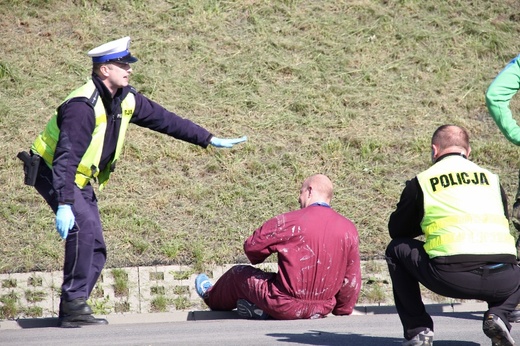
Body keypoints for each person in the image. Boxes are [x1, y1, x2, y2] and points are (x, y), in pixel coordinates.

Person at [20, 36, 247, 328]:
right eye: (122, 64)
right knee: (84, 228)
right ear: (104, 70)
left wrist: (208, 138)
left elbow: (164, 119)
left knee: (97, 247)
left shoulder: (124, 98)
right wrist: (64, 203)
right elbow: (65, 157)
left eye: (128, 64)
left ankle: (73, 306)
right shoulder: (82, 106)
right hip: (55, 172)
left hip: (79, 177)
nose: (129, 69)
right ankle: (74, 304)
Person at [386, 124, 520, 346]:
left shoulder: (423, 181)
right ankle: (499, 314)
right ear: (468, 152)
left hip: (450, 276)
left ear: (434, 150)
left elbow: (397, 230)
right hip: (504, 278)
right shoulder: (492, 180)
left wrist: (426, 219)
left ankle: (418, 331)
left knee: (396, 249)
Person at [194, 174, 362, 320]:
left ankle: (210, 295)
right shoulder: (349, 229)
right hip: (322, 309)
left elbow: (252, 248)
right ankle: (261, 310)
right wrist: (343, 310)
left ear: (310, 191)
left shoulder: (289, 221)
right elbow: (351, 277)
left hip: (283, 304)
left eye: (301, 192)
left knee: (238, 274)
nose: (299, 198)